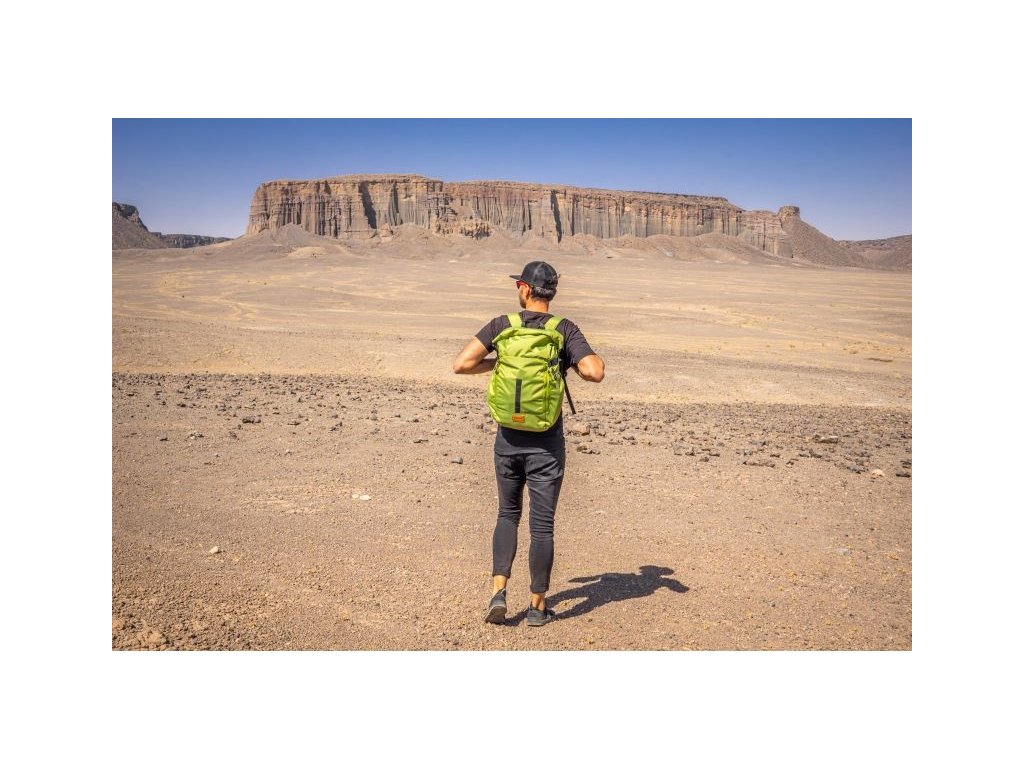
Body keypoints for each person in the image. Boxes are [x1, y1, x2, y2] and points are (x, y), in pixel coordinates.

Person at [452, 261, 605, 627]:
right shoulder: (564, 329)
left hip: (507, 441)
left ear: (524, 288)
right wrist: (567, 362)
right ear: (552, 291)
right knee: (542, 526)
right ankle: (537, 607)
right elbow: (594, 372)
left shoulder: (501, 325)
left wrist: (498, 363)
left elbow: (462, 364)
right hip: (546, 446)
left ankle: (498, 592)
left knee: (507, 514)